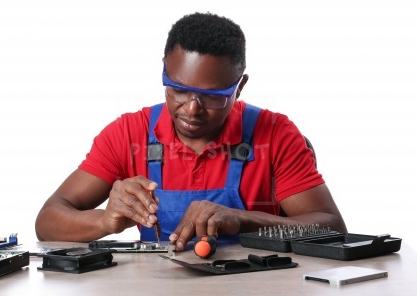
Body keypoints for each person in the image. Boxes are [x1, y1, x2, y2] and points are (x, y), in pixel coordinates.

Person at [35, 12, 347, 252]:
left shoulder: (276, 134)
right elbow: (47, 222)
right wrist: (104, 221)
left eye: (212, 96)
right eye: (179, 90)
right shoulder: (128, 134)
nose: (192, 108)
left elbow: (334, 229)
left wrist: (244, 219)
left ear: (240, 86)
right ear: (164, 71)